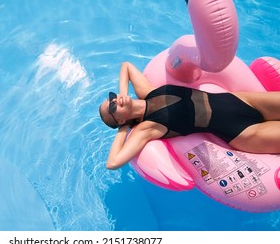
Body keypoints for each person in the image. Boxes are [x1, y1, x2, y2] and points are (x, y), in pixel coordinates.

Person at [99, 61, 280, 170]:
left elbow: (126, 66)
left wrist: (122, 94)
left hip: (243, 101)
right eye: (113, 108)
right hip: (242, 131)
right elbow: (112, 163)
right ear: (121, 119)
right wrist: (123, 130)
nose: (115, 101)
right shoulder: (147, 128)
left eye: (112, 98)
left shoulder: (147, 92)